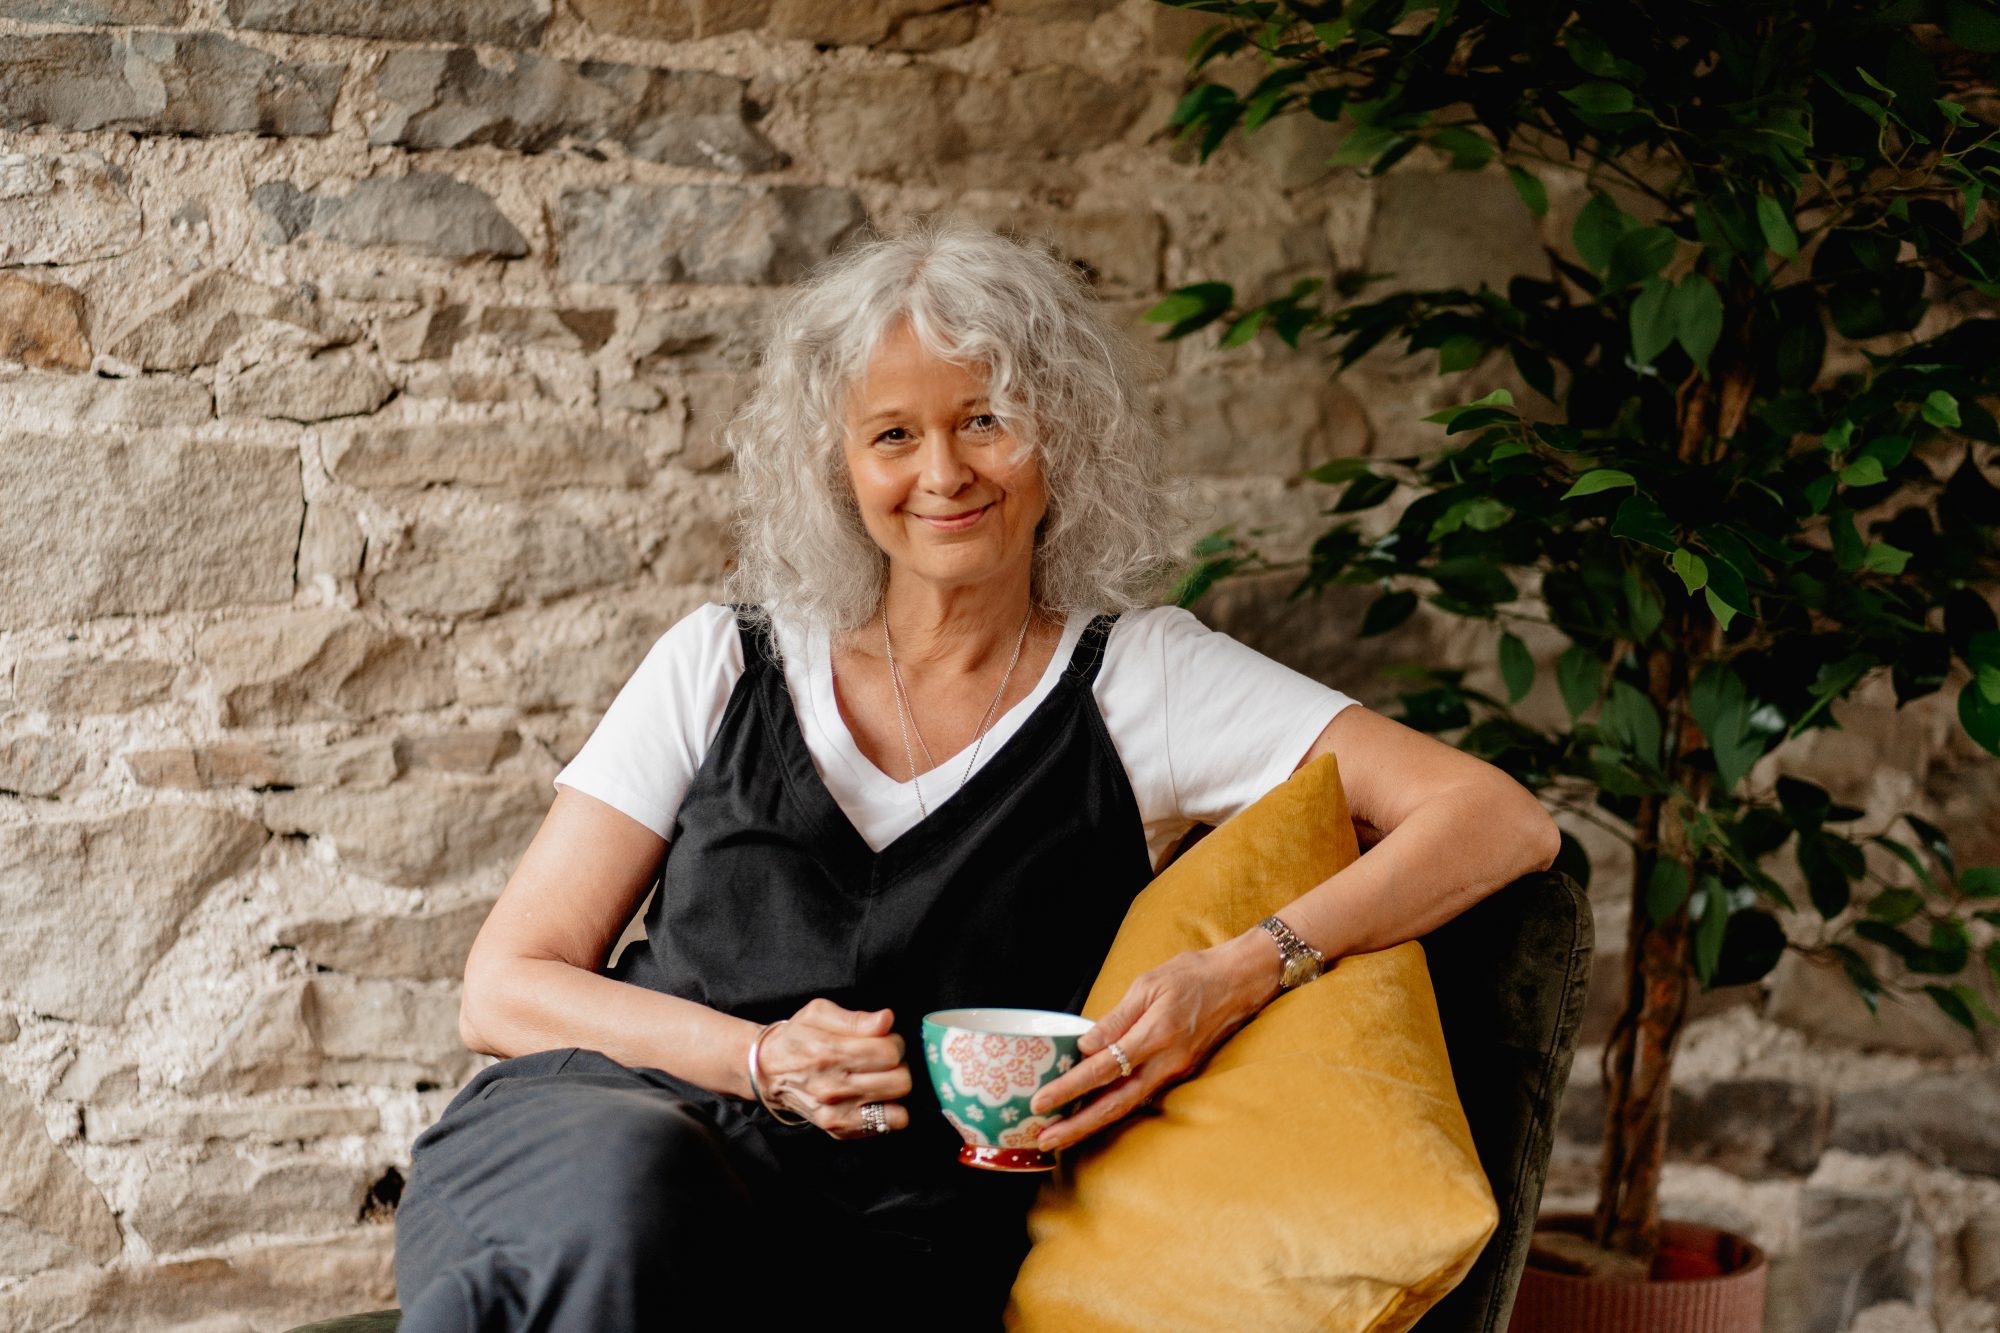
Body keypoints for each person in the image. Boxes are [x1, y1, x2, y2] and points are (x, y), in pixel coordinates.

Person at [390, 219, 1562, 1331]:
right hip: (610, 1139)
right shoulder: (719, 656)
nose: (942, 471)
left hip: (884, 1240)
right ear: (839, 467)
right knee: (625, 1185)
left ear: (1063, 435)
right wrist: (754, 1060)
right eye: (892, 433)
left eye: (986, 418)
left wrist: (1242, 969)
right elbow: (503, 987)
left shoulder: (1142, 679)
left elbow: (1494, 820)